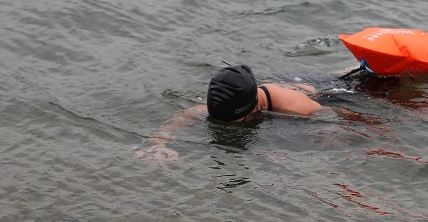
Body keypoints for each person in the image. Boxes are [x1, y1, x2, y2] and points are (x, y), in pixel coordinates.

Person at [135, 64, 325, 163]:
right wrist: (159, 141)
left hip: (323, 91)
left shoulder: (297, 107)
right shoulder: (220, 102)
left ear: (254, 108)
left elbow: (336, 117)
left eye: (234, 121)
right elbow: (180, 119)